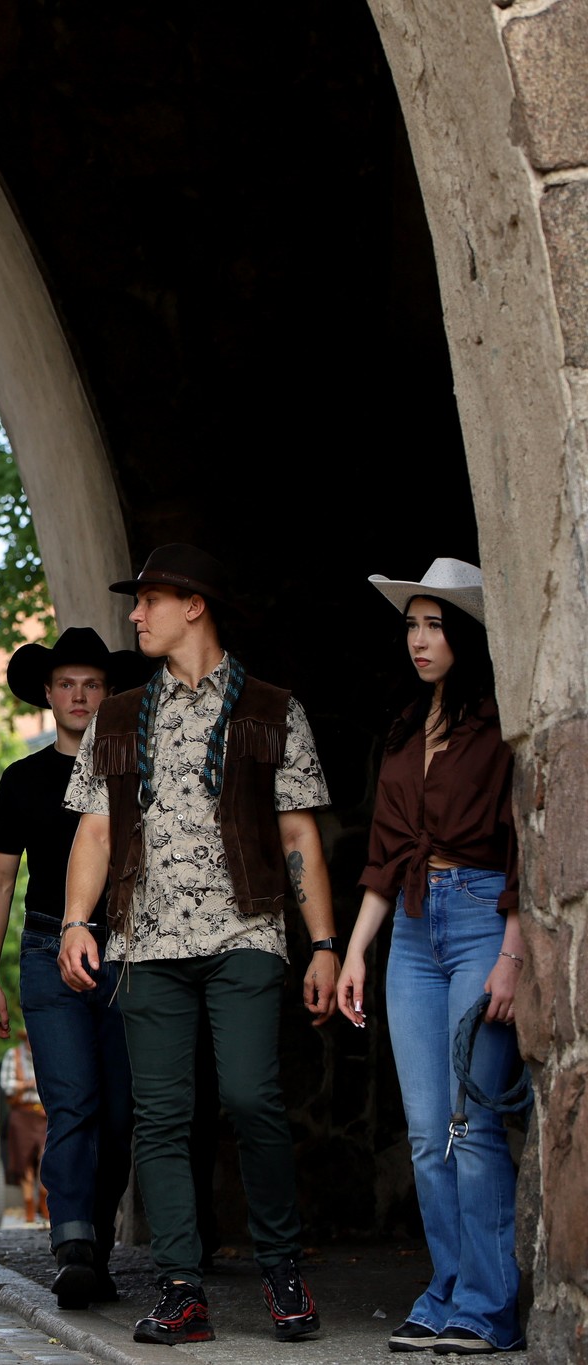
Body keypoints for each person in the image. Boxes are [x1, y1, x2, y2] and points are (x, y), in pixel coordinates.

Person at [60, 544, 340, 1346]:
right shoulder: (118, 716)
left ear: (194, 606)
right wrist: (77, 921)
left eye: (149, 600)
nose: (135, 614)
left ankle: (282, 1268)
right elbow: (95, 831)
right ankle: (181, 1289)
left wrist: (323, 942)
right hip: (145, 943)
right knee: (161, 1117)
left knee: (251, 1096)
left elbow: (299, 834)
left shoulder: (272, 709)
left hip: (246, 930)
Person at [336, 559, 525, 1356]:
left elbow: (522, 847)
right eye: (411, 624)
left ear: (466, 635)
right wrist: (355, 952)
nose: (418, 639)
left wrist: (513, 953)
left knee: (471, 1124)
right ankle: (446, 1287)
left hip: (481, 917)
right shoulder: (406, 729)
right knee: (424, 1131)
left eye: (435, 625)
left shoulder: (500, 723)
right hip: (411, 929)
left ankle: (488, 1305)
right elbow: (384, 858)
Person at [0, 626, 141, 1305]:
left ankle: (94, 1240)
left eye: (92, 684)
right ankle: (71, 1244)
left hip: (128, 953)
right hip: (49, 951)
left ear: (109, 694)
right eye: (67, 683)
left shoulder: (136, 776)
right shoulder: (21, 780)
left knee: (121, 1112)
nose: (79, 695)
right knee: (71, 1100)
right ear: (47, 693)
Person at [0, 1030, 48, 1226]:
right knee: (23, 1163)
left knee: (46, 1158)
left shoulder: (47, 1053)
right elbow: (7, 1085)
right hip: (22, 1114)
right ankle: (29, 1208)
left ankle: (44, 1201)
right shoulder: (14, 1055)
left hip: (44, 1115)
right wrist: (28, 1084)